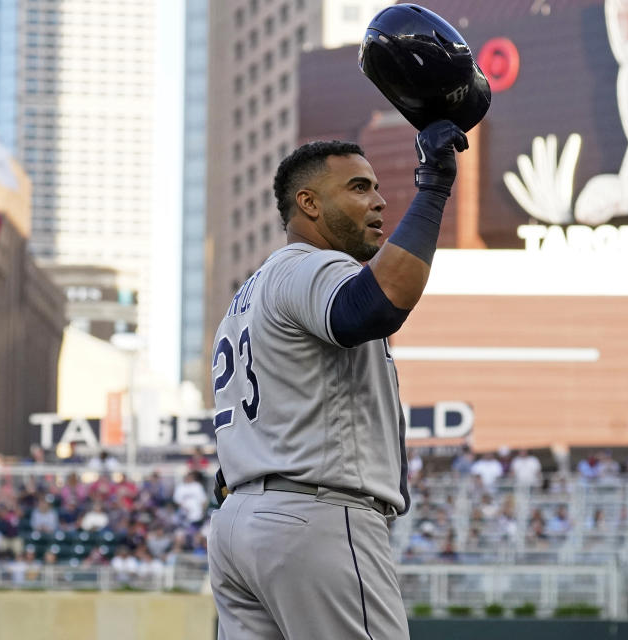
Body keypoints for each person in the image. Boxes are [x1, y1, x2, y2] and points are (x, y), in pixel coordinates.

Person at [207, 121, 468, 639]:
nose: (378, 201)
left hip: (242, 523)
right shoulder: (306, 267)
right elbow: (372, 307)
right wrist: (434, 184)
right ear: (308, 203)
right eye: (358, 187)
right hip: (315, 516)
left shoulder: (246, 298)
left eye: (374, 186)